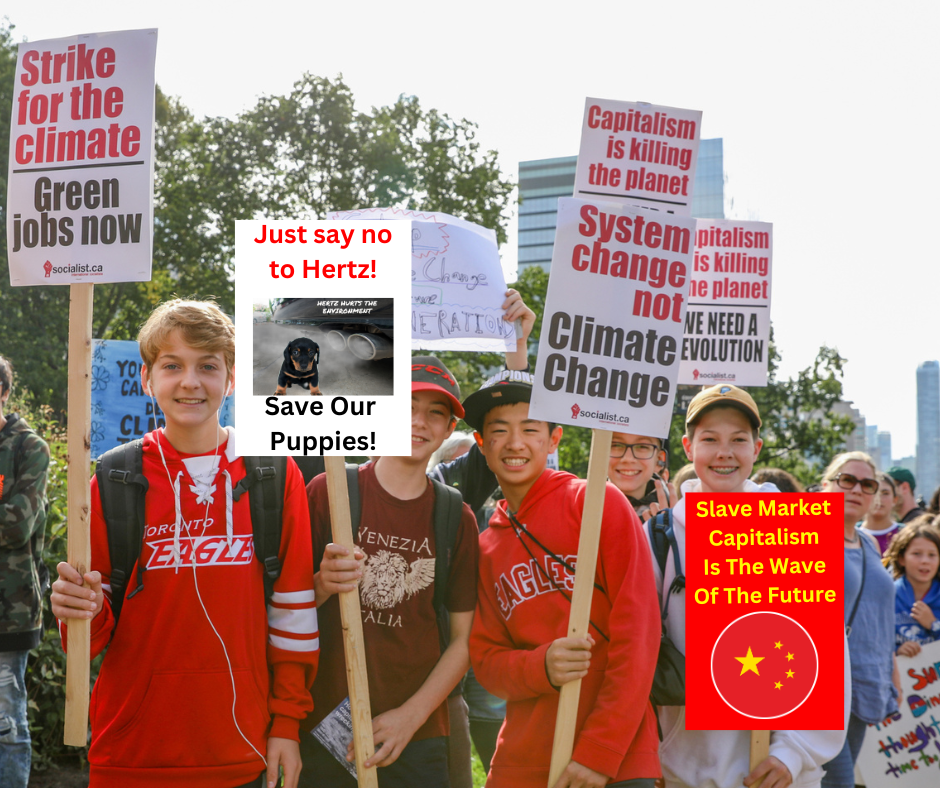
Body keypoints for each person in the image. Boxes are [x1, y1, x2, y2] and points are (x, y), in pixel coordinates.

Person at [51, 300, 319, 788]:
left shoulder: (272, 474)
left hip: (240, 744)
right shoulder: (113, 478)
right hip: (130, 752)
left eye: (208, 366)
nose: (190, 382)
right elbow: (88, 637)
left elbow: (294, 609)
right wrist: (78, 606)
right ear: (148, 379)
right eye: (172, 365)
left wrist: (287, 723)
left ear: (231, 379)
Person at [466, 370, 661, 788]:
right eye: (499, 431)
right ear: (481, 445)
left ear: (553, 440)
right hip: (522, 762)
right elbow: (486, 662)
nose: (515, 443)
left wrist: (599, 752)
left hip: (615, 760)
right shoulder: (484, 547)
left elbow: (639, 634)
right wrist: (541, 666)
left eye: (530, 429)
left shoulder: (595, 501)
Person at [656, 384, 849, 788]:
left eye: (738, 440)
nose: (724, 452)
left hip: (776, 773)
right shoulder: (658, 537)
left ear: (756, 449)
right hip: (681, 771)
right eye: (710, 439)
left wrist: (793, 752)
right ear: (689, 448)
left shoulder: (793, 531)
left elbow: (828, 658)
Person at [303, 356, 480, 788]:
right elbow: (282, 609)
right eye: (407, 407)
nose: (418, 423)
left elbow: (463, 641)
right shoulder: (330, 490)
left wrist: (411, 717)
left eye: (435, 413)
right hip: (324, 724)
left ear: (446, 428)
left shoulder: (455, 516)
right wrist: (322, 585)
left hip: (417, 734)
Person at [820, 451, 897, 788]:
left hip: (866, 685)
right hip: (822, 689)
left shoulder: (866, 542)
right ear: (826, 485)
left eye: (867, 484)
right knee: (840, 783)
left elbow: (877, 614)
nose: (856, 489)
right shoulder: (805, 537)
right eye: (846, 480)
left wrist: (890, 671)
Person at [0, 355, 50, 788]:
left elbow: (15, 525)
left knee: (6, 727)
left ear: (3, 393)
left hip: (8, 611)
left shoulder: (27, 447)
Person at [883, 518, 940, 657]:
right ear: (901, 559)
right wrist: (897, 651)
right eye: (916, 554)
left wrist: (934, 625)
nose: (925, 561)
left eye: (932, 555)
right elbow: (874, 641)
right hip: (900, 676)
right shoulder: (887, 595)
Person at [606, 432, 674, 521]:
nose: (628, 459)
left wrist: (676, 532)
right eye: (616, 445)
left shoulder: (688, 511)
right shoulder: (583, 505)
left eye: (642, 446)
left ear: (659, 459)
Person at [860, 473, 902, 555]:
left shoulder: (906, 534)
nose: (879, 499)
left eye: (885, 493)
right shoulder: (849, 533)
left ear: (895, 499)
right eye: (874, 492)